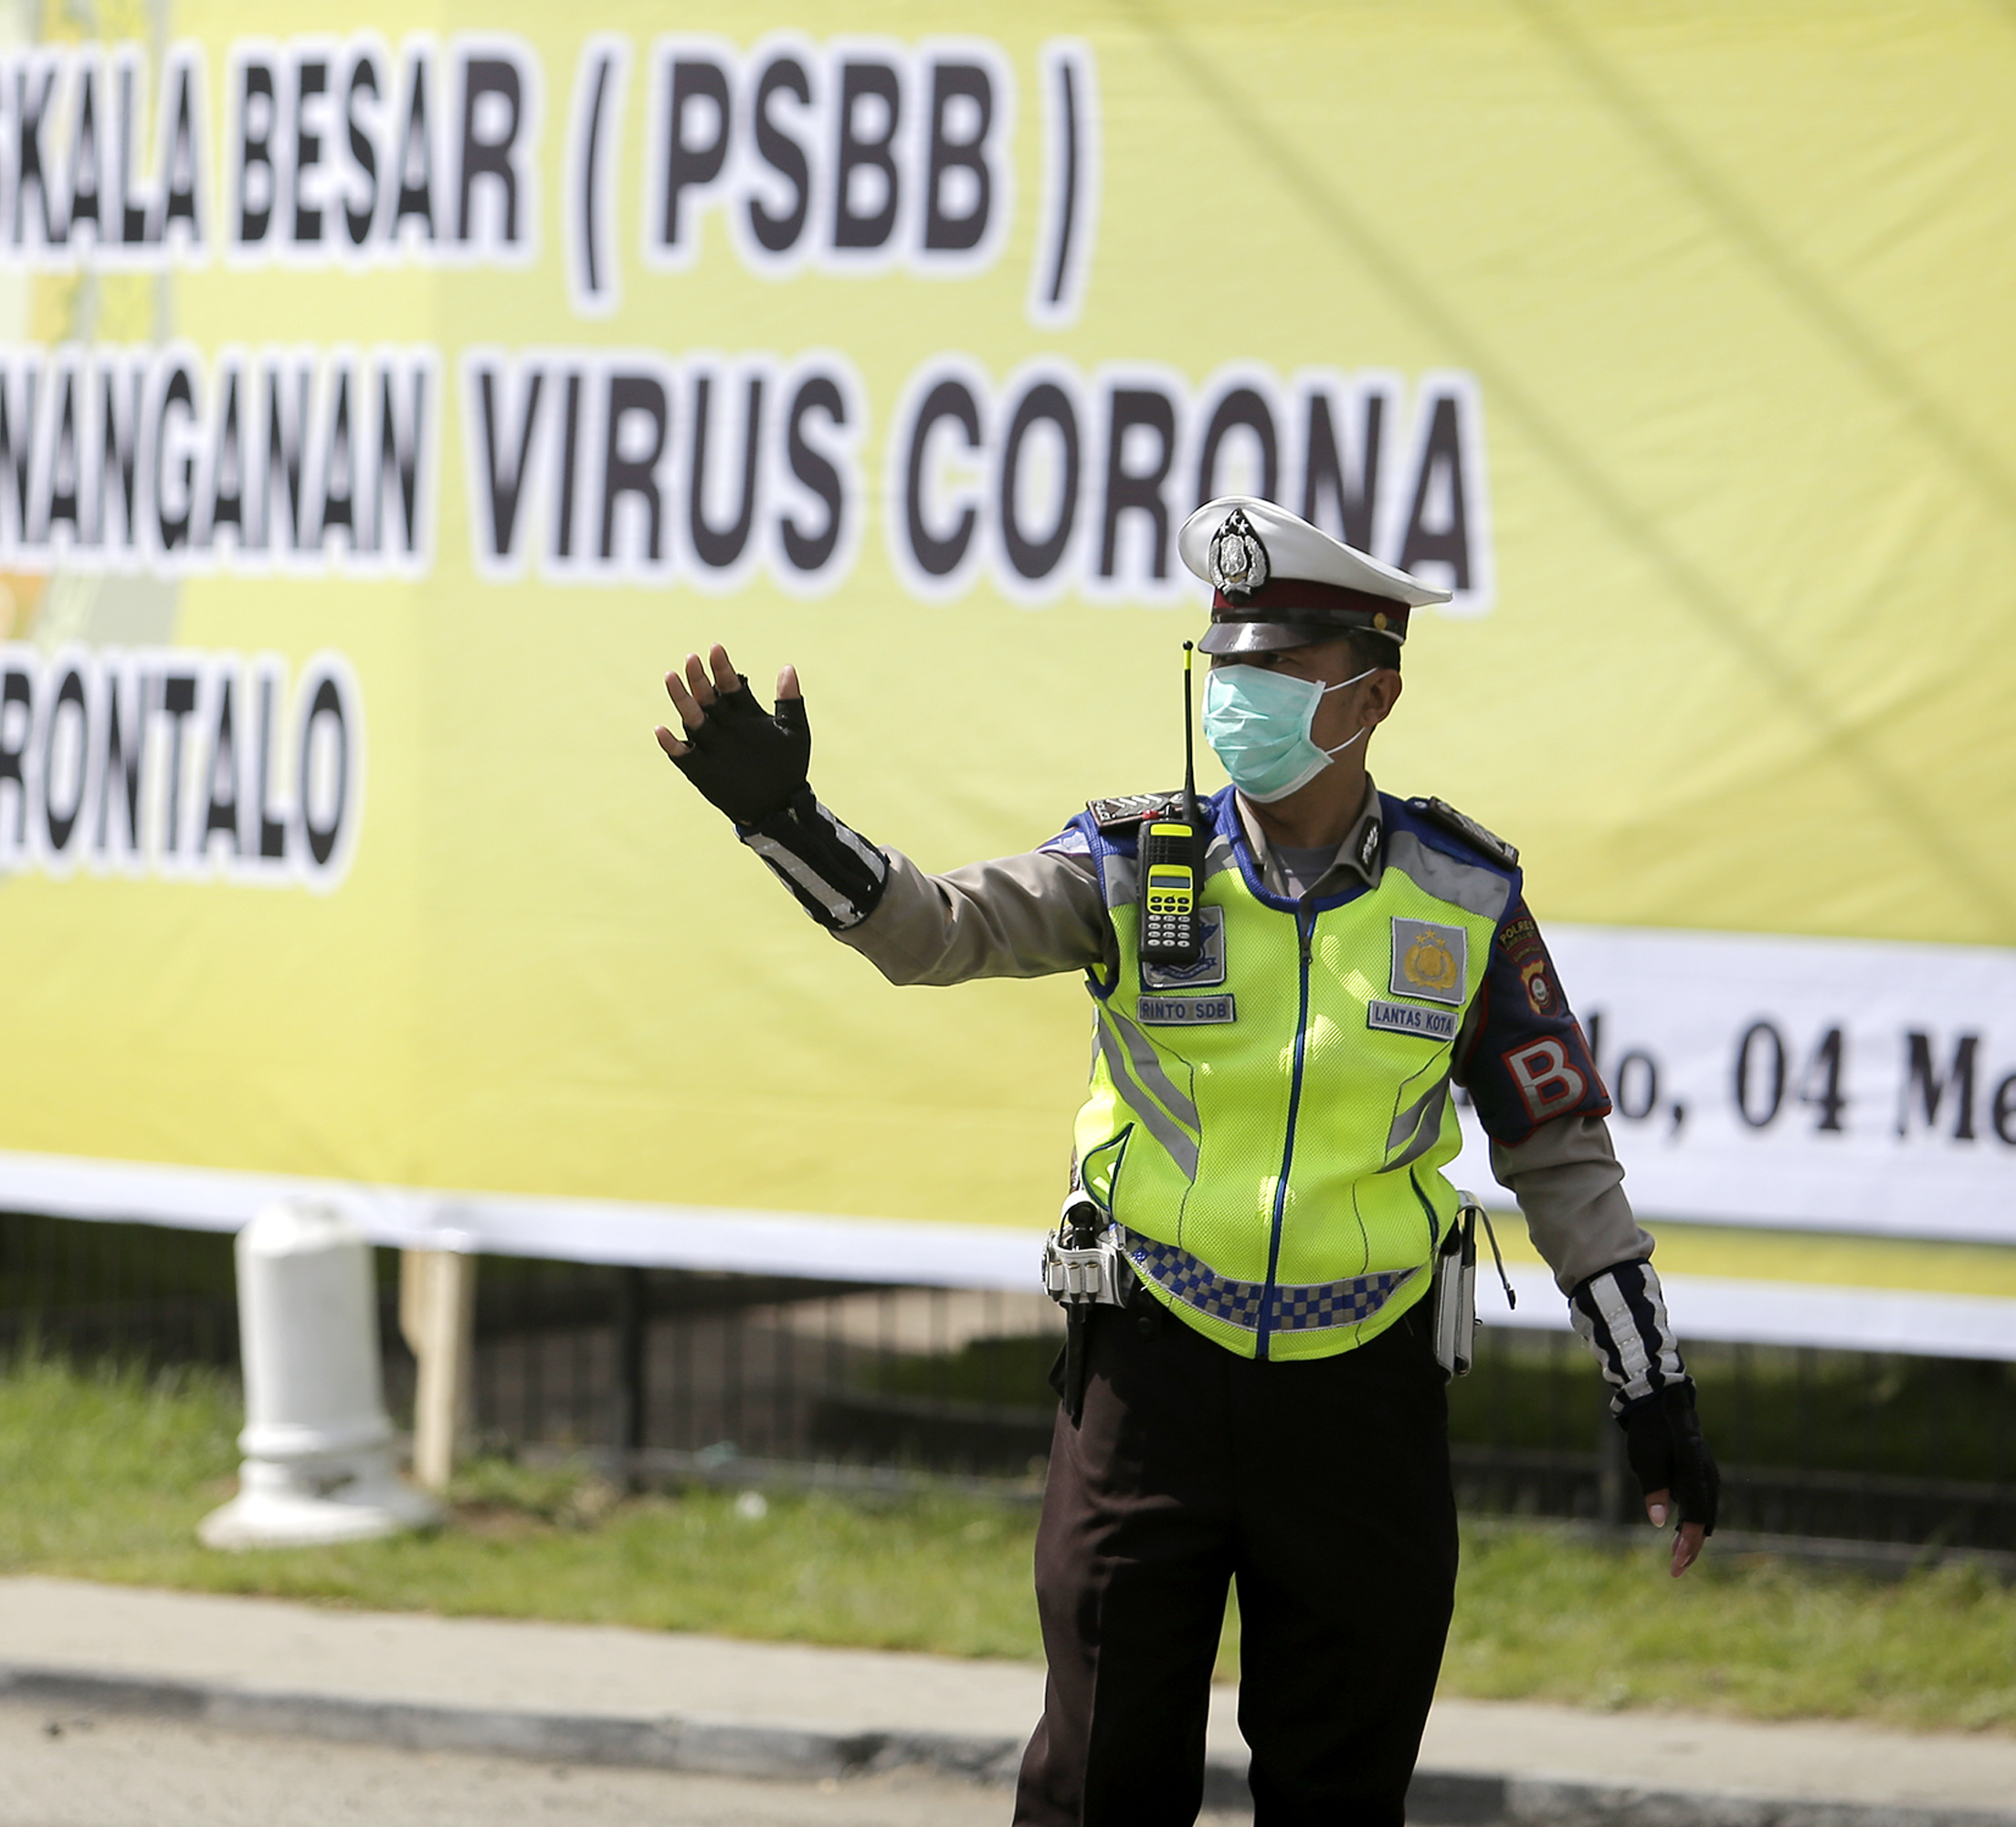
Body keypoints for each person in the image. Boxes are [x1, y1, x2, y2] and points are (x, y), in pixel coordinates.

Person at [653, 496, 1721, 1827]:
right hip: (1146, 1381)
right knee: (1099, 1784)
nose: (1240, 698)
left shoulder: (1465, 892)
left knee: (1342, 1794)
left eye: (1279, 670)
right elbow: (935, 933)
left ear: (1373, 696)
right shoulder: (1129, 860)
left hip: (1364, 1405)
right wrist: (792, 824)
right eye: (1225, 668)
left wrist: (1650, 1388)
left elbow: (1559, 1150)